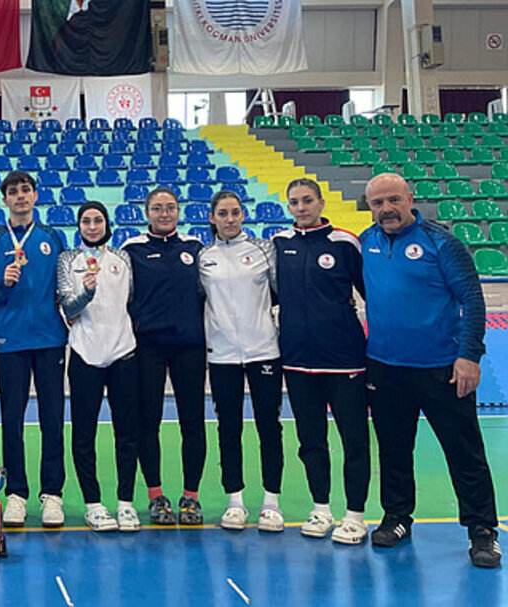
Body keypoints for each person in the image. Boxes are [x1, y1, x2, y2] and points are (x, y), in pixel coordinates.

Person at [361, 172, 500, 568]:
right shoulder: (366, 242)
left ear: (409, 198)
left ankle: (482, 530)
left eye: (393, 200)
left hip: (442, 369)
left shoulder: (441, 242)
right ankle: (397, 517)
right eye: (377, 203)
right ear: (369, 207)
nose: (386, 209)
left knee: (464, 452)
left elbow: (472, 299)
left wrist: (469, 355)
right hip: (385, 368)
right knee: (393, 450)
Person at [273, 178, 371, 545]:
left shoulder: (345, 243)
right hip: (298, 362)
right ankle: (321, 509)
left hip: (345, 361)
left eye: (307, 200)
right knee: (310, 441)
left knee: (354, 440)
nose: (301, 207)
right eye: (294, 202)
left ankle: (355, 515)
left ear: (321, 202)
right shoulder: (279, 244)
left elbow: (371, 294)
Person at [0, 171, 68, 528]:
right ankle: (16, 493)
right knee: (12, 419)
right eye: (13, 191)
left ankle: (52, 493)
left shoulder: (52, 237)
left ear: (35, 196)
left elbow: (65, 288)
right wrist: (3, 285)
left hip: (50, 339)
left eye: (26, 190)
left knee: (52, 418)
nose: (20, 196)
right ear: (4, 200)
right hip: (10, 340)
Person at [198, 190, 284, 532]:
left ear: (243, 215)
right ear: (212, 218)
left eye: (235, 212)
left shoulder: (264, 250)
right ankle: (235, 500)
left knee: (269, 426)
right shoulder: (204, 257)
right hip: (221, 355)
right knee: (228, 427)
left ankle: (271, 502)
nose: (230, 219)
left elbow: (281, 291)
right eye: (223, 213)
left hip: (264, 350)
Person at [122, 188, 207, 526]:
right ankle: (155, 495)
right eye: (157, 208)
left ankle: (191, 496)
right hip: (148, 347)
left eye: (170, 207)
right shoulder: (132, 250)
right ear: (147, 213)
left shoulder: (195, 248)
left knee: (193, 422)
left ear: (178, 211)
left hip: (189, 346)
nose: (164, 213)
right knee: (148, 421)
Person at [58, 201, 140, 532]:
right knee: (83, 433)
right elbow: (68, 307)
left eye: (98, 220)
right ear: (79, 226)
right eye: (86, 221)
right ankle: (93, 504)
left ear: (107, 224)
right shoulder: (68, 260)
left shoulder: (123, 258)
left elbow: (130, 300)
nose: (92, 227)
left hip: (123, 353)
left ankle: (126, 503)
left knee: (127, 432)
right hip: (85, 353)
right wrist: (87, 294)